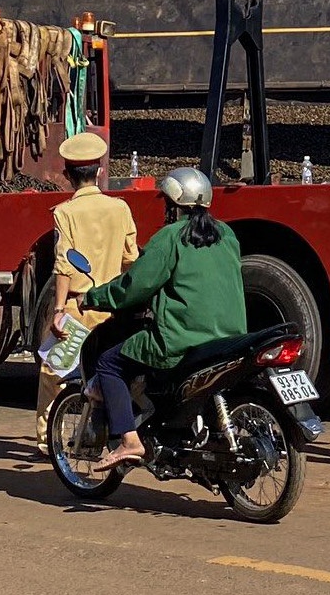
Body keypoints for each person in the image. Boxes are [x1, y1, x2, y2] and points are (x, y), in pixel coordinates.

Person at [69, 166, 245, 473]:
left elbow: (135, 286)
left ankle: (129, 440)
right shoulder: (227, 235)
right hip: (229, 337)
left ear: (174, 204)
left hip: (181, 338)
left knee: (110, 363)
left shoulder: (170, 237)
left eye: (165, 202)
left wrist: (93, 297)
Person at [35, 130, 140, 432]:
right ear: (100, 172)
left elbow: (63, 264)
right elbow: (131, 258)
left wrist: (57, 311)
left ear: (67, 175)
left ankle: (46, 439)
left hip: (77, 310)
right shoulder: (120, 208)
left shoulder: (65, 213)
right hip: (112, 309)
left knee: (53, 371)